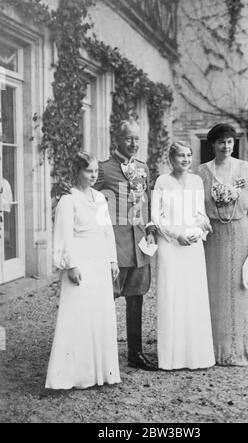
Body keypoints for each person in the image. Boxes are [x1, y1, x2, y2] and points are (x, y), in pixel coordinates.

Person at [45, 152, 121, 389]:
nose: (93, 175)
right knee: (78, 315)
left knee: (99, 314)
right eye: (89, 171)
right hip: (81, 262)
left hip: (99, 260)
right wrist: (71, 265)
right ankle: (74, 375)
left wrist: (112, 259)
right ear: (77, 171)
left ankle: (101, 372)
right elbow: (63, 236)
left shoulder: (99, 197)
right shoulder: (68, 200)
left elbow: (107, 231)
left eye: (96, 171)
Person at [198, 123, 248, 366]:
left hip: (240, 232)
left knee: (240, 287)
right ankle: (213, 349)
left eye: (229, 141)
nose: (226, 146)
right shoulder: (202, 172)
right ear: (212, 145)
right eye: (220, 142)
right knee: (214, 288)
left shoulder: (244, 168)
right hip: (214, 236)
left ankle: (241, 349)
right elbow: (196, 208)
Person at [94, 119, 157, 371]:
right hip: (114, 246)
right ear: (117, 139)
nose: (134, 144)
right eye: (129, 138)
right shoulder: (102, 169)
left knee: (136, 299)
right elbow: (90, 203)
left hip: (140, 245)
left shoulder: (143, 168)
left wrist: (151, 231)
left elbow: (147, 204)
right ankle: (103, 354)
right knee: (107, 299)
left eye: (137, 139)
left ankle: (135, 353)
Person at [151, 141, 215, 370]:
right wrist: (176, 235)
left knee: (193, 295)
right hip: (170, 244)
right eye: (181, 156)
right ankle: (171, 358)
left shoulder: (197, 181)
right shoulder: (162, 182)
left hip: (193, 244)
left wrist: (198, 231)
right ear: (171, 158)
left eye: (189, 155)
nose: (186, 159)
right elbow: (156, 218)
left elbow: (200, 213)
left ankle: (196, 355)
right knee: (172, 295)